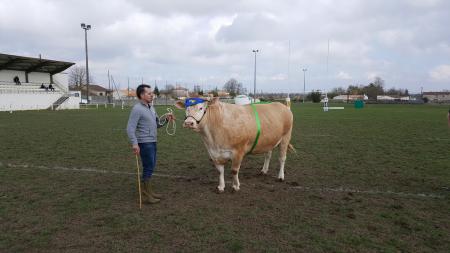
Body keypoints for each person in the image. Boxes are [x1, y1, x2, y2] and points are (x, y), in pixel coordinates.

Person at [126, 84, 175, 204]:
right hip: (144, 142)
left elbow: (157, 124)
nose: (152, 95)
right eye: (149, 93)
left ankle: (148, 191)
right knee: (148, 167)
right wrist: (134, 144)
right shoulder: (137, 109)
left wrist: (166, 120)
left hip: (153, 141)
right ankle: (147, 194)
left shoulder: (151, 107)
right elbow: (130, 128)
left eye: (152, 93)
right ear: (142, 95)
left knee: (151, 166)